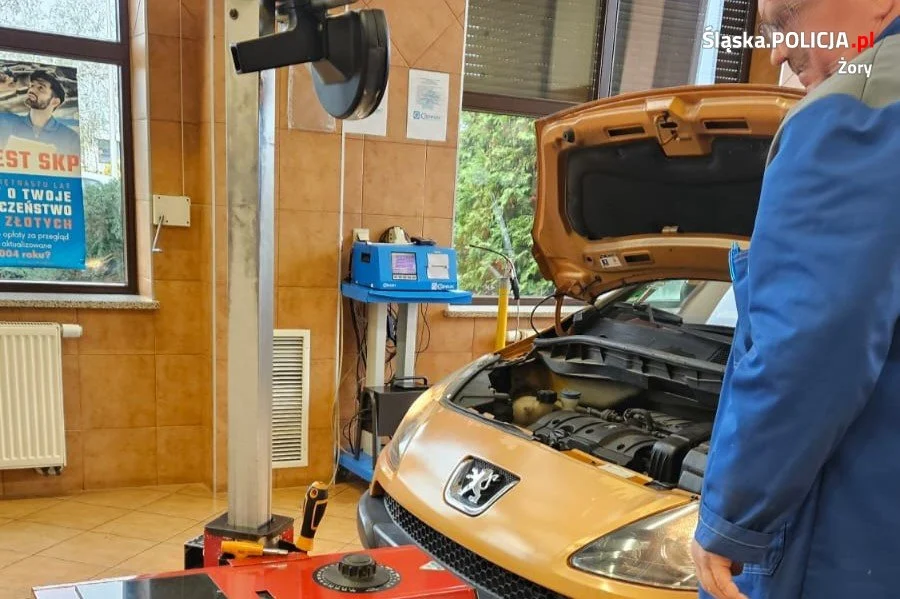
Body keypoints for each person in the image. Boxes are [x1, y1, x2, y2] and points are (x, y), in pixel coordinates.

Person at [690, 1, 900, 597]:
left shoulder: (855, 109)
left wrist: (733, 516)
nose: (778, 52)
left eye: (787, 18)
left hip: (849, 536)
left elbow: (811, 343)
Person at [0, 68, 80, 156]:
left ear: (55, 102)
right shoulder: (4, 121)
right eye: (32, 86)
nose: (31, 90)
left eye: (40, 88)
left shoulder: (70, 138)